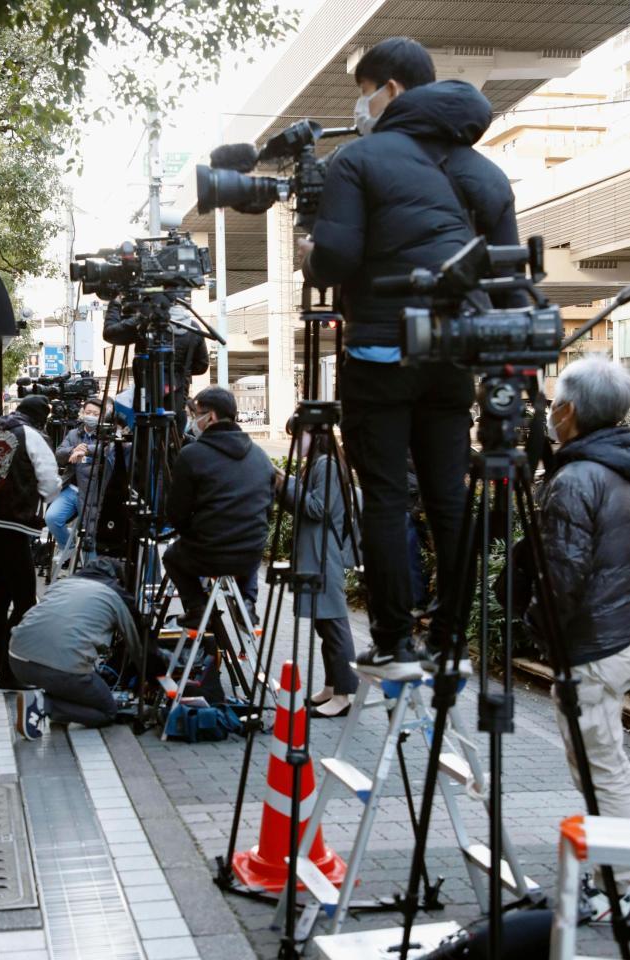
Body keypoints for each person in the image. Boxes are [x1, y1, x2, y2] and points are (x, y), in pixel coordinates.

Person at [299, 37, 522, 679]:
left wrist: (310, 255)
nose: (359, 104)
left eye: (362, 90)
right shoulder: (485, 172)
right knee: (450, 497)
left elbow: (336, 259)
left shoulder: (358, 159)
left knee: (388, 496)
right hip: (454, 354)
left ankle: (395, 638)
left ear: (390, 89)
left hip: (380, 349)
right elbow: (506, 279)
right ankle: (453, 635)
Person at [527, 356, 630, 920]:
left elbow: (560, 574)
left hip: (592, 641)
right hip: (621, 632)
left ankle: (619, 886)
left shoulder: (577, 477)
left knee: (600, 766)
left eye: (552, 405)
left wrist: (536, 627)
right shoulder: (620, 464)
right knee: (608, 757)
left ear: (567, 411)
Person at [0, 395, 61, 692]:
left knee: (1, 595)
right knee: (24, 599)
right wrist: (49, 501)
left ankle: (2, 670)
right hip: (13, 523)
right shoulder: (31, 435)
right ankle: (10, 669)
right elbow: (48, 481)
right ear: (40, 416)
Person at [162, 386, 274, 627]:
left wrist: (194, 531)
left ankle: (198, 609)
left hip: (208, 553)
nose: (192, 421)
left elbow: (176, 514)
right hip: (251, 554)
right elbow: (267, 511)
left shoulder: (191, 455)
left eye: (195, 415)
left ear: (210, 417)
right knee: (247, 541)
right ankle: (247, 603)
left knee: (172, 556)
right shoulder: (260, 456)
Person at [276, 424, 358, 718]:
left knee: (334, 623)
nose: (295, 442)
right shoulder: (322, 464)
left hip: (323, 555)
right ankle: (332, 686)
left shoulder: (327, 465)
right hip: (318, 552)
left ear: (316, 435)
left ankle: (344, 694)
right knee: (325, 624)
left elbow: (316, 508)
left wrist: (285, 483)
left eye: (299, 435)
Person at [11, 558, 142, 739]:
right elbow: (140, 648)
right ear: (118, 581)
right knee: (108, 711)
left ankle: (50, 702)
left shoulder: (63, 584)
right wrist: (153, 676)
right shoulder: (116, 594)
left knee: (70, 673)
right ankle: (44, 705)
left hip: (17, 660)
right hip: (59, 669)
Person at [103, 296, 209, 431]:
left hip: (144, 406)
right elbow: (201, 365)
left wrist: (116, 302)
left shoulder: (144, 323)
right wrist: (178, 370)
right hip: (176, 406)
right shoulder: (192, 327)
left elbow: (110, 333)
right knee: (173, 447)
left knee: (143, 441)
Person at [45, 396, 105, 558]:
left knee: (89, 534)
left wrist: (86, 450)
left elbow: (108, 450)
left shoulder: (106, 434)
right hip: (71, 489)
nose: (91, 416)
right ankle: (68, 546)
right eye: (88, 412)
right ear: (82, 413)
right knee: (52, 517)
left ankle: (90, 575)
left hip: (93, 492)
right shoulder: (73, 433)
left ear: (102, 416)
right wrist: (73, 450)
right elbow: (58, 453)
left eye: (95, 413)